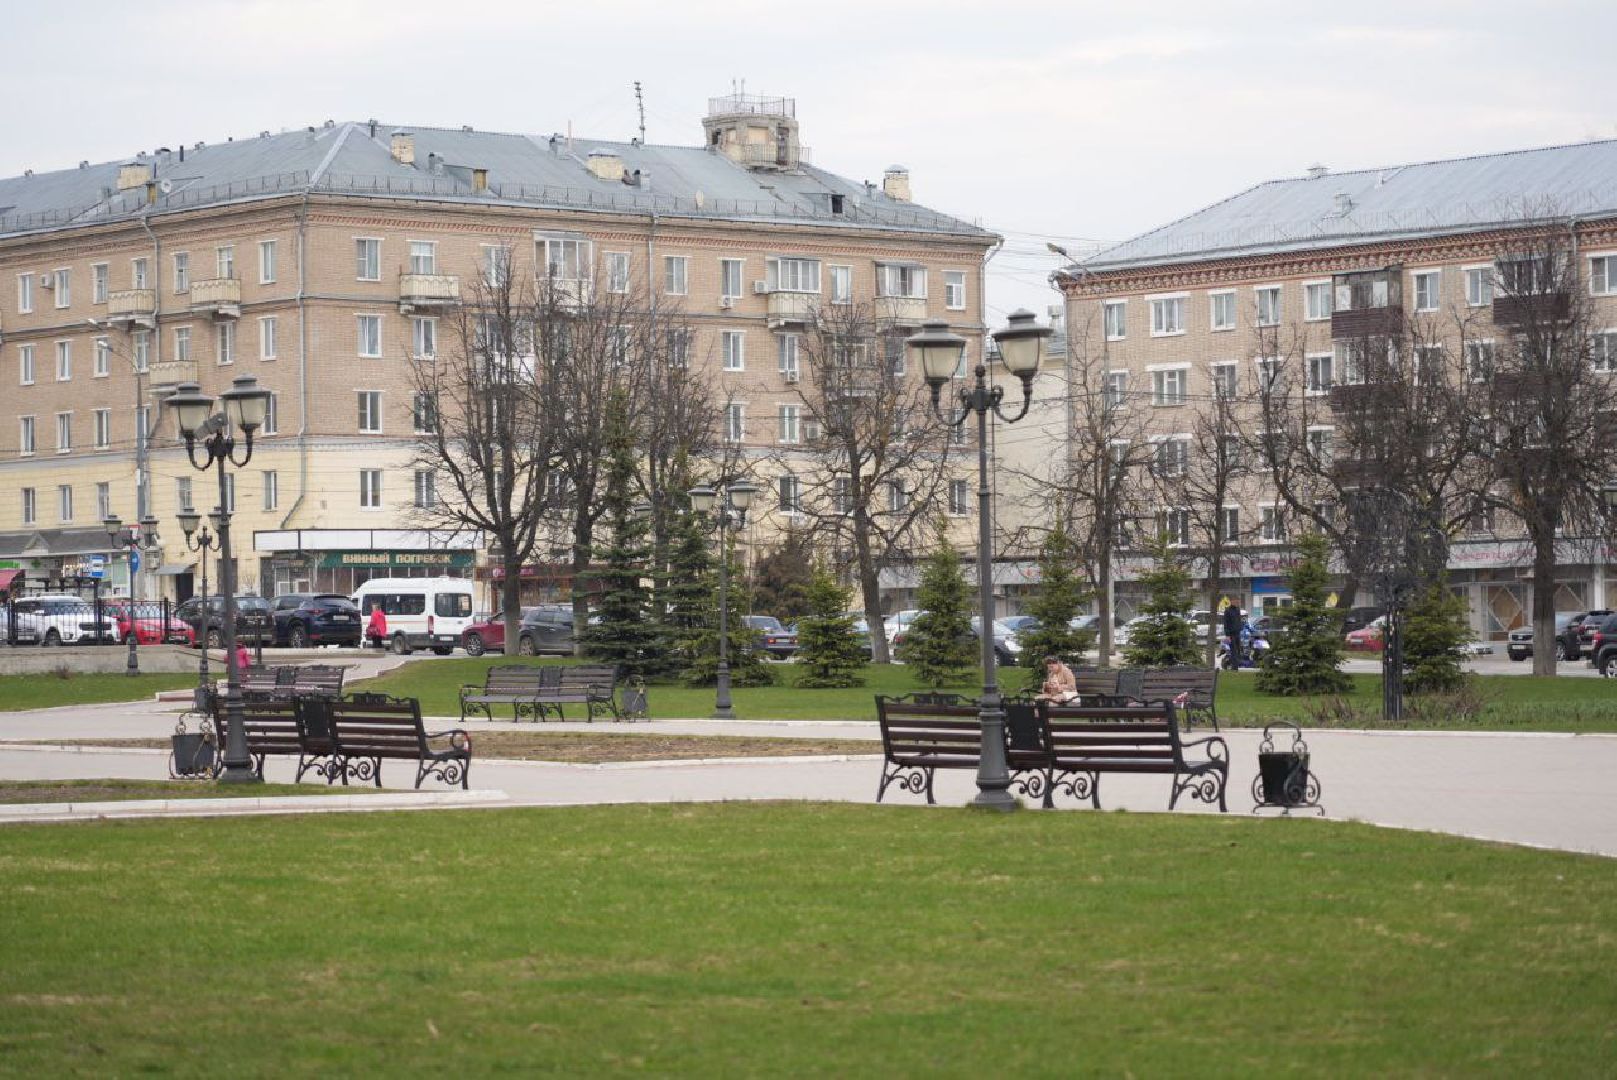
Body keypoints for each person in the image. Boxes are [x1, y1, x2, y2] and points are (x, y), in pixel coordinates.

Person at [1222, 602, 1245, 669]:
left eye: (1238, 601)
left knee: (1238, 650)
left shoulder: (1237, 610)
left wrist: (1240, 628)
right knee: (1234, 650)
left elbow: (1238, 620)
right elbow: (1226, 623)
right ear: (1232, 601)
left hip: (1237, 633)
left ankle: (1236, 664)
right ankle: (1235, 667)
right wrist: (1227, 635)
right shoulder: (1227, 611)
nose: (1238, 602)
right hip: (1231, 634)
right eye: (1237, 601)